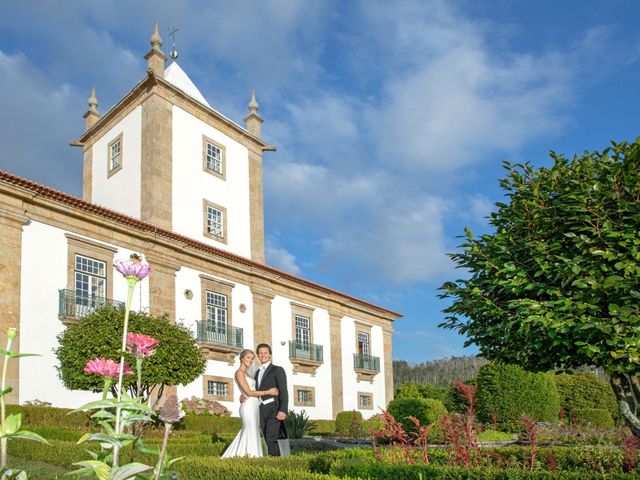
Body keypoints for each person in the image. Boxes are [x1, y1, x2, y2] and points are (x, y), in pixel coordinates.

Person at [221, 349, 278, 458]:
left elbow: (248, 390)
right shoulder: (239, 373)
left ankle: (246, 456)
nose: (250, 360)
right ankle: (252, 456)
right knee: (250, 430)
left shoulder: (247, 373)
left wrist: (242, 395)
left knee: (253, 430)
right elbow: (248, 392)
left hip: (254, 405)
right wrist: (268, 392)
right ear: (242, 358)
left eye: (252, 358)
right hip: (248, 406)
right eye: (248, 357)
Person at [254, 343, 289, 456]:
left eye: (265, 353)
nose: (263, 355)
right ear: (258, 356)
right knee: (265, 438)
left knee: (271, 438)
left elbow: (283, 391)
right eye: (260, 353)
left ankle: (276, 463)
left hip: (274, 409)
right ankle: (274, 460)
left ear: (270, 355)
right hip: (261, 410)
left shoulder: (277, 370)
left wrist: (283, 410)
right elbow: (255, 391)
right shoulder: (257, 373)